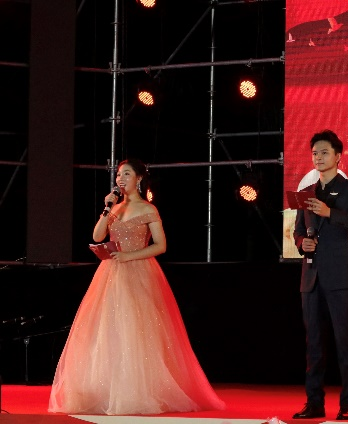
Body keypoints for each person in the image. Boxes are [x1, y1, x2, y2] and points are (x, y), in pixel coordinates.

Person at [49, 159, 225, 415]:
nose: (121, 179)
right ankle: (107, 391)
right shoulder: (115, 208)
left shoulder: (148, 209)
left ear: (139, 178)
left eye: (127, 174)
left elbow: (160, 246)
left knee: (135, 331)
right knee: (107, 330)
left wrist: (129, 256)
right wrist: (107, 209)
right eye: (119, 174)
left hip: (138, 272)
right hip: (110, 274)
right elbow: (97, 236)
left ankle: (137, 391)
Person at [292, 130, 348, 421]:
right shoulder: (305, 193)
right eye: (315, 153)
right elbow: (298, 231)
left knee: (344, 341)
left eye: (324, 152)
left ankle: (347, 403)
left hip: (340, 277)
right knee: (313, 343)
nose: (318, 158)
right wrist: (302, 243)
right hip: (310, 277)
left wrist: (329, 212)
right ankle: (314, 403)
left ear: (338, 156)